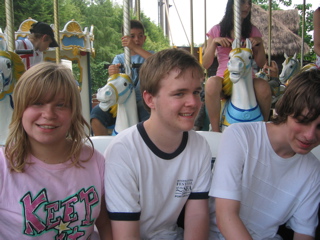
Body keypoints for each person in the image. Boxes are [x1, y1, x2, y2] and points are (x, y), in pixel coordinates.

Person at [104, 48, 212, 239]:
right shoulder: (124, 150)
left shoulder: (199, 146)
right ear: (149, 99)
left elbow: (197, 215)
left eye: (196, 92)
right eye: (179, 94)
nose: (193, 102)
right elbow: (125, 234)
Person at [0, 62, 112, 239]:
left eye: (60, 105)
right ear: (20, 108)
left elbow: (105, 224)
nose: (49, 114)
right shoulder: (3, 165)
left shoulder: (94, 161)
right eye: (37, 103)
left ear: (73, 112)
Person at [209, 68, 320, 239]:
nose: (310, 135)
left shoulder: (313, 170)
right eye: (302, 121)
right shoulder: (240, 136)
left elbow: (304, 233)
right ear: (287, 109)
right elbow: (225, 217)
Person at [202, 0, 271, 132]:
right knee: (211, 84)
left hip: (247, 78)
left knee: (264, 87)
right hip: (225, 79)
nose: (247, 6)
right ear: (232, 5)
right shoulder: (216, 30)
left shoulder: (253, 31)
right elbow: (205, 64)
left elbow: (262, 64)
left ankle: (264, 125)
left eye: (249, 3)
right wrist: (214, 43)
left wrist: (260, 44)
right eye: (243, 3)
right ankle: (216, 129)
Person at [90, 19, 153, 135]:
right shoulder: (119, 59)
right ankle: (105, 148)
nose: (136, 40)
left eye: (140, 36)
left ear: (144, 38)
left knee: (150, 121)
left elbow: (159, 63)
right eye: (132, 36)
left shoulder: (149, 56)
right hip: (121, 100)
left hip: (143, 100)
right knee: (96, 115)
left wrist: (135, 47)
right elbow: (115, 82)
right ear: (124, 39)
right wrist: (113, 73)